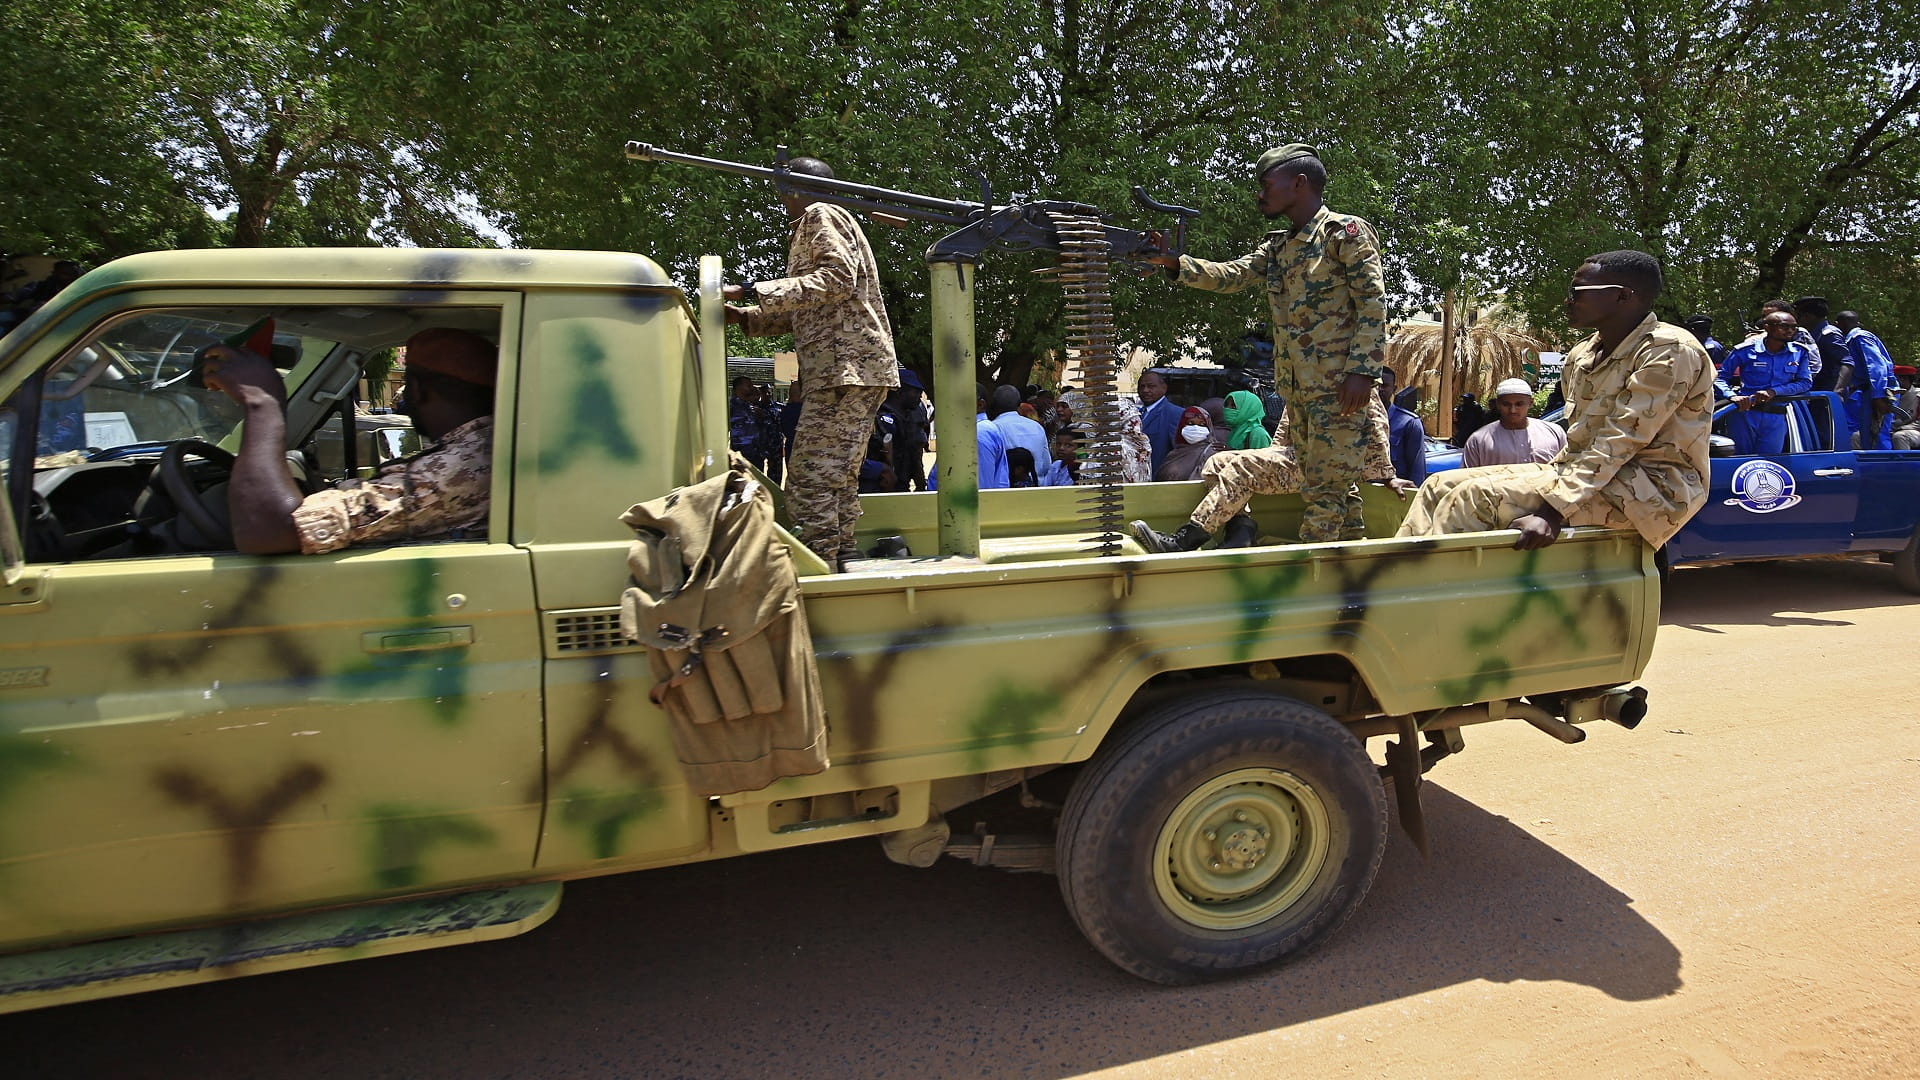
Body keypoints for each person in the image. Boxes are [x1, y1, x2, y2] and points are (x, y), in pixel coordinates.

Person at [1144, 142, 1390, 542]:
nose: (1260, 194)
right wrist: (1173, 263)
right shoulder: (1279, 247)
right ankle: (1352, 563)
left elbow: (1373, 304)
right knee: (1331, 483)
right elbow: (1231, 275)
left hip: (1339, 388)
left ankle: (1315, 574)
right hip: (1300, 390)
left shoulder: (1342, 234)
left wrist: (1362, 371)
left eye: (1266, 184)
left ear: (1299, 182)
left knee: (1325, 491)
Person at [1396, 250, 1714, 550]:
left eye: (1578, 292)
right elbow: (1581, 440)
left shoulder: (1668, 350)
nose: (1568, 300)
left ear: (1622, 295)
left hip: (1651, 490)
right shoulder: (1583, 354)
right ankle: (1389, 577)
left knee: (1472, 497)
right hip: (1591, 477)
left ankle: (1436, 600)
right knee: (1439, 484)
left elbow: (1620, 440)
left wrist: (1553, 510)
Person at [725, 155, 899, 572]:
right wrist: (747, 315)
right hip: (849, 369)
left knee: (808, 479)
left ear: (795, 189)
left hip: (847, 368)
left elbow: (836, 278)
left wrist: (751, 287)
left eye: (782, 186)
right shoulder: (822, 221)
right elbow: (808, 307)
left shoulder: (820, 215)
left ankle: (821, 564)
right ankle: (842, 554)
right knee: (834, 475)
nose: (779, 195)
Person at [204, 327, 496, 555]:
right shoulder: (486, 446)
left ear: (416, 390)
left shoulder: (449, 471)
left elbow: (268, 531)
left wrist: (262, 402)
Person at [1719, 311, 1814, 455]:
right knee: (1741, 462)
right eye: (1784, 326)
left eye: (1793, 327)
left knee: (1770, 464)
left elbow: (1805, 383)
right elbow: (1720, 378)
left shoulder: (1799, 352)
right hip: (1745, 413)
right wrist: (1732, 396)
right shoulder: (1745, 350)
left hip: (1776, 415)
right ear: (1767, 327)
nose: (1790, 331)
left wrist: (1775, 391)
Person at [1461, 378, 1567, 467]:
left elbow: (1566, 472)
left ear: (1530, 403)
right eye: (1506, 404)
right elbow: (1469, 482)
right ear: (1497, 404)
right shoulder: (1479, 440)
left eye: (1519, 404)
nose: (1513, 410)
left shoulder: (1554, 433)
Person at [1834, 311, 1896, 450]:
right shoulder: (1852, 340)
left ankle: (1882, 469)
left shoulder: (1860, 337)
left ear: (1840, 324)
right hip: (1868, 390)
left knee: (1878, 435)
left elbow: (1876, 367)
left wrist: (1878, 396)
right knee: (1867, 434)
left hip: (1879, 391)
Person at [988, 384, 1051, 485]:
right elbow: (1046, 465)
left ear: (993, 405)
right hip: (1037, 489)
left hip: (1005, 492)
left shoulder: (992, 429)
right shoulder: (1037, 427)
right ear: (1019, 404)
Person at [1793, 296, 1850, 394]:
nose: (1797, 321)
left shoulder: (1829, 334)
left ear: (1807, 316)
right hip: (1815, 391)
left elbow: (1847, 363)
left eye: (1799, 316)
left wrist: (1838, 390)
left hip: (1827, 393)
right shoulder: (1810, 334)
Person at [1380, 368, 1427, 485]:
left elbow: (1417, 471)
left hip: (1393, 497)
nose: (1379, 389)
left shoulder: (1409, 423)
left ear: (1394, 389)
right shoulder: (1356, 420)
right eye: (1375, 385)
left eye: (1384, 385)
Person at [1156, 405, 1224, 481]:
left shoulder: (1213, 453)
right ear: (1181, 426)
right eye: (1190, 423)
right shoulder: (1174, 454)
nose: (1196, 428)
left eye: (1202, 425)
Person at [889, 370, 930, 491]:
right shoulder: (885, 417)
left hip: (902, 480)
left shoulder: (914, 412)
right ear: (900, 392)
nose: (920, 397)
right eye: (916, 392)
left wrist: (920, 484)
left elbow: (915, 452)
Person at [1135, 371, 1181, 475]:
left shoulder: (1174, 414)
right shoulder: (1136, 414)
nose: (1145, 390)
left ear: (1164, 388)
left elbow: (1179, 452)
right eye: (1142, 386)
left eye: (1151, 386)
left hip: (1159, 480)